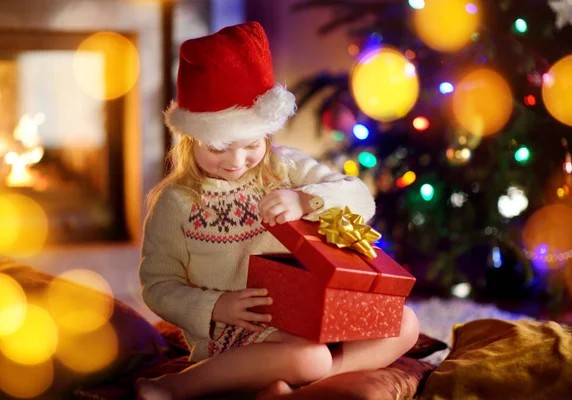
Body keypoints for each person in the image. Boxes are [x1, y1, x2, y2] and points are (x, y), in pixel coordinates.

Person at [136, 21, 419, 400]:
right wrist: (216, 306)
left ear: (265, 133)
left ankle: (298, 386)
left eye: (251, 144)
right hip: (241, 332)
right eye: (218, 148)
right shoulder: (177, 202)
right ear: (191, 138)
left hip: (315, 312)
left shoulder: (286, 168)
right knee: (310, 358)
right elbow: (158, 286)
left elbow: (360, 198)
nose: (237, 161)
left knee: (406, 323)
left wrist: (306, 200)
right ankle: (170, 387)